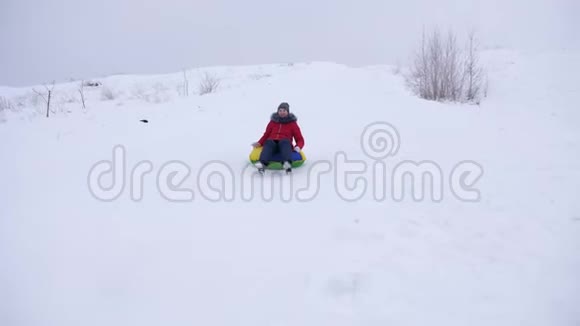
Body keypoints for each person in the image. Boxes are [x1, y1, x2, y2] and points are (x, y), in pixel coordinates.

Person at [252, 102, 305, 173]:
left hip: (284, 143)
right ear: (278, 111)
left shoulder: (292, 124)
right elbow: (266, 134)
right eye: (280, 111)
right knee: (268, 142)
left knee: (285, 141)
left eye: (284, 111)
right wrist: (259, 143)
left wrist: (298, 146)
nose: (282, 112)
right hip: (272, 143)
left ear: (288, 112)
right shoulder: (273, 122)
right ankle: (262, 164)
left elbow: (300, 139)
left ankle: (287, 163)